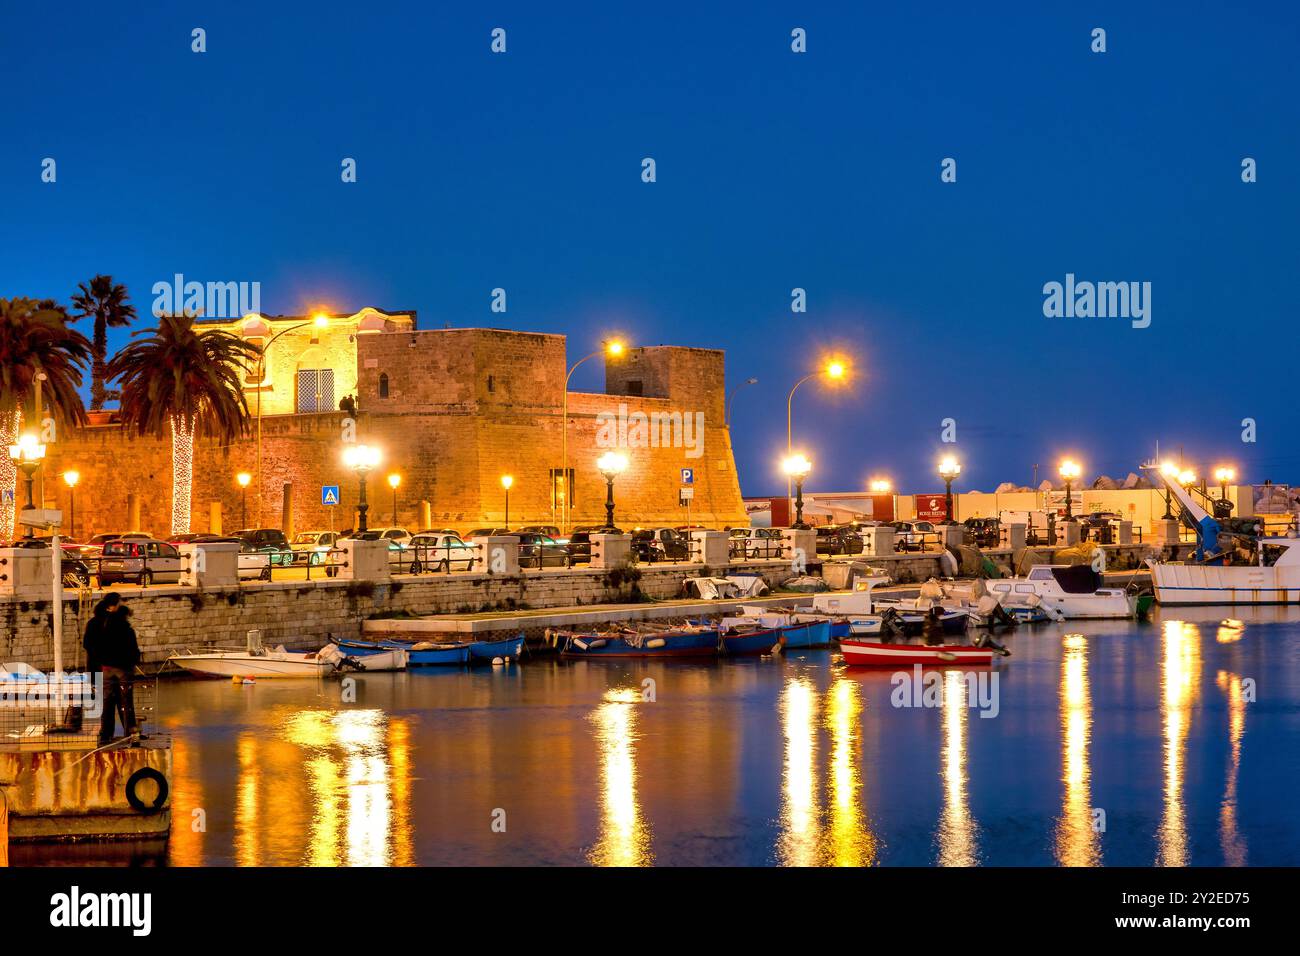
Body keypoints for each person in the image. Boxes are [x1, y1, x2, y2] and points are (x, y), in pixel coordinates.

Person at [83, 593, 141, 746]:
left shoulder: (97, 623)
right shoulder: (124, 627)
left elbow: (89, 646)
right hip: (123, 669)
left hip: (105, 668)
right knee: (126, 702)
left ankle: (106, 735)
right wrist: (134, 660)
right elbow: (132, 648)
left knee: (107, 702)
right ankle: (130, 733)